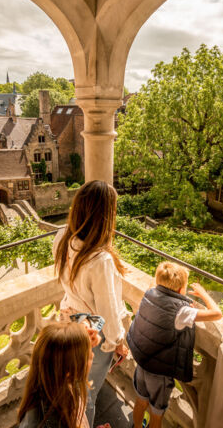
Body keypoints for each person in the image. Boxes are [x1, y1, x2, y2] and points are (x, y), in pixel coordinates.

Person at [53, 180, 129, 425]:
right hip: (92, 335)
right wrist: (117, 343)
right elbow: (107, 310)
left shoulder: (63, 236)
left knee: (73, 388)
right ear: (106, 215)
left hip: (69, 323)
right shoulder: (100, 260)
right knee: (87, 397)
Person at [127, 262, 223, 428]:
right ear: (181, 290)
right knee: (157, 412)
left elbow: (158, 290)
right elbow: (217, 314)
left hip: (142, 362)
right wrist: (202, 294)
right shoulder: (182, 311)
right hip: (159, 372)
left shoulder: (150, 293)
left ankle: (136, 426)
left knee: (141, 401)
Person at [17, 322, 92, 428]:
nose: (93, 356)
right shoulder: (46, 422)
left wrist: (82, 340)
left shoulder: (56, 382)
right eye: (88, 356)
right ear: (69, 371)